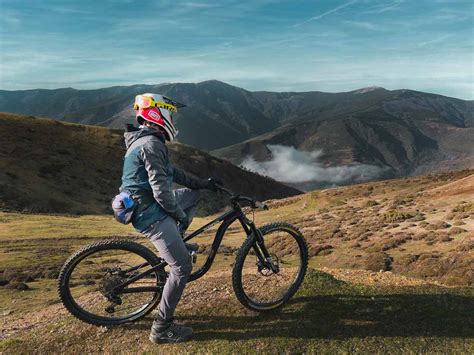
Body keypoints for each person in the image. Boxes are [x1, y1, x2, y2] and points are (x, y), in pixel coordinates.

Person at [120, 93, 222, 343]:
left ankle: (176, 241)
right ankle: (162, 329)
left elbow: (173, 172)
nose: (173, 119)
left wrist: (204, 184)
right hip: (148, 212)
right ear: (159, 113)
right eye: (171, 113)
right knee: (181, 268)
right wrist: (177, 217)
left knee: (191, 194)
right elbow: (161, 192)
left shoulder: (145, 140)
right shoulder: (151, 144)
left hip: (147, 203)